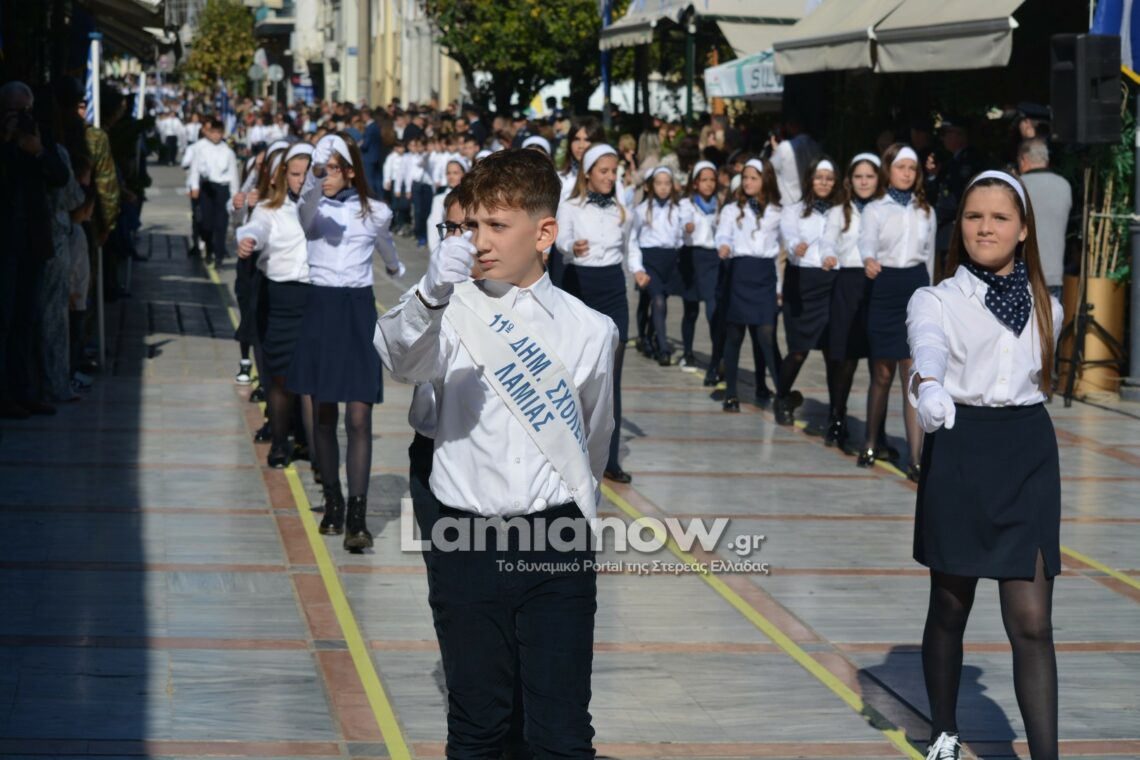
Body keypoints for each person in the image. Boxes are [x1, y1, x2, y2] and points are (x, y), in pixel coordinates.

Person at [374, 148, 616, 757]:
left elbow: (593, 437)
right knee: (479, 728)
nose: (479, 241)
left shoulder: (591, 329)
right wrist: (431, 292)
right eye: (473, 224)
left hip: (556, 538)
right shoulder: (451, 310)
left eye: (498, 226)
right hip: (467, 538)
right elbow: (399, 358)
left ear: (545, 233)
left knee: (561, 733)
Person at [907, 170, 1062, 760]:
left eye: (1000, 217)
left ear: (1023, 230)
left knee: (1033, 622)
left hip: (1027, 453)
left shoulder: (1049, 306)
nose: (985, 228)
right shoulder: (936, 299)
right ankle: (944, 731)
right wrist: (929, 386)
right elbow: (927, 345)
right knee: (950, 605)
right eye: (974, 216)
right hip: (961, 448)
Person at [287, 132, 404, 551]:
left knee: (358, 417)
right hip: (321, 307)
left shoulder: (375, 211)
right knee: (323, 414)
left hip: (356, 310)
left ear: (351, 171)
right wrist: (315, 172)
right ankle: (333, 501)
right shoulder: (314, 208)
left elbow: (386, 246)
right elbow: (305, 203)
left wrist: (395, 267)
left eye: (334, 169)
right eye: (323, 169)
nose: (326, 176)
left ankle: (358, 515)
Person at [556, 143, 639, 484]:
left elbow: (631, 247)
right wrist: (571, 247)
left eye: (613, 171)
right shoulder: (570, 206)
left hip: (613, 289)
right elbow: (561, 240)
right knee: (578, 373)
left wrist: (639, 270)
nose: (609, 177)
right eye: (603, 171)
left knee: (612, 376)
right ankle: (571, 450)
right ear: (588, 173)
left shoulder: (623, 211)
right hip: (581, 287)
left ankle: (610, 457)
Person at [858, 144, 934, 479]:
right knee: (882, 372)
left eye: (911, 168)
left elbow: (929, 255)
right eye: (900, 167)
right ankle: (870, 442)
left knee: (911, 372)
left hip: (915, 285)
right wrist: (868, 260)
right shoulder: (875, 209)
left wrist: (932, 295)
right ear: (888, 170)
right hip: (884, 285)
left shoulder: (925, 210)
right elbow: (866, 241)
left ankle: (915, 457)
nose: (906, 173)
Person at [236, 143, 315, 468]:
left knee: (311, 378)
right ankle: (280, 442)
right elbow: (257, 227)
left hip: (314, 298)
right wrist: (248, 239)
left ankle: (310, 442)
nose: (301, 180)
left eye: (307, 173)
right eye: (295, 174)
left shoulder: (324, 208)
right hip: (279, 298)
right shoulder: (270, 207)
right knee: (279, 377)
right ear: (284, 175)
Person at [818, 153, 880, 448]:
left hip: (878, 282)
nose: (864, 182)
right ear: (850, 180)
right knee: (844, 357)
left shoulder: (885, 209)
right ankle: (837, 416)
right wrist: (828, 255)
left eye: (869, 176)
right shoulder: (839, 211)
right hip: (848, 282)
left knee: (879, 360)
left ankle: (876, 431)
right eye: (858, 177)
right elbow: (828, 240)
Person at [776, 156, 844, 426]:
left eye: (829, 178)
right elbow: (789, 234)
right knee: (798, 351)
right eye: (819, 178)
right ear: (810, 180)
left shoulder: (842, 211)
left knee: (833, 353)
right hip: (802, 283)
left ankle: (836, 414)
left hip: (832, 282)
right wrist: (796, 245)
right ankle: (782, 396)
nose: (824, 183)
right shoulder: (794, 210)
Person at [714, 157, 783, 413]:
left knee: (766, 334)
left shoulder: (777, 211)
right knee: (735, 334)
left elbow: (786, 242)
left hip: (764, 275)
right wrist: (723, 245)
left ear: (766, 180)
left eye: (754, 178)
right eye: (745, 178)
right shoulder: (733, 210)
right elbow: (723, 233)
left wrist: (781, 287)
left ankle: (782, 393)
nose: (748, 182)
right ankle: (731, 393)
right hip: (740, 272)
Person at [630, 166, 680, 365]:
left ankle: (650, 336)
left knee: (659, 301)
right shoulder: (641, 210)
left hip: (669, 260)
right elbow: (633, 239)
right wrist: (637, 267)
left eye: (667, 183)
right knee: (655, 300)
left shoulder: (677, 210)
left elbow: (679, 237)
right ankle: (662, 347)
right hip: (649, 259)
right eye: (659, 183)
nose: (663, 187)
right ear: (650, 186)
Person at [677, 160, 721, 370]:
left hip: (712, 258)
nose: (708, 184)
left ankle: (717, 357)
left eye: (712, 180)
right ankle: (687, 352)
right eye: (704, 180)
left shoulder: (720, 204)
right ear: (695, 183)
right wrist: (687, 226)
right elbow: (683, 220)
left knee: (713, 309)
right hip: (692, 258)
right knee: (691, 310)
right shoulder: (687, 204)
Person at [1016, 138, 1072, 298]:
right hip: (1054, 273)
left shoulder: (1018, 185)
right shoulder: (1064, 185)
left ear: (1023, 159)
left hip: (1023, 272)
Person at [188, 118, 240, 264]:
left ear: (222, 134)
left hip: (222, 188)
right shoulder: (201, 149)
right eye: (213, 132)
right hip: (207, 188)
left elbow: (233, 175)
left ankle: (219, 254)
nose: (216, 136)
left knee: (221, 223)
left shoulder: (228, 152)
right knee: (206, 222)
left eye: (219, 133)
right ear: (209, 133)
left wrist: (235, 194)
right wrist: (194, 187)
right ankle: (209, 247)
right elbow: (195, 169)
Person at [425, 155, 469, 253]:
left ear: (465, 174)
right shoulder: (440, 199)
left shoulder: (471, 196)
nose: (451, 177)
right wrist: (436, 254)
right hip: (449, 248)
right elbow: (433, 226)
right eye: (448, 173)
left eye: (455, 173)